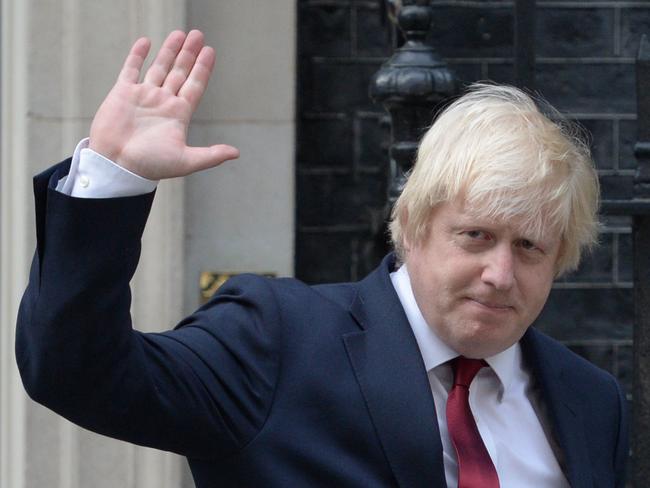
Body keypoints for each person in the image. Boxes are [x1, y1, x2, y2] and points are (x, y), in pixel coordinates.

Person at [16, 30, 627, 487]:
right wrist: (114, 177)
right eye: (474, 236)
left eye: (529, 247)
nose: (500, 274)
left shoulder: (590, 400)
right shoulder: (276, 340)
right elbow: (75, 371)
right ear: (412, 227)